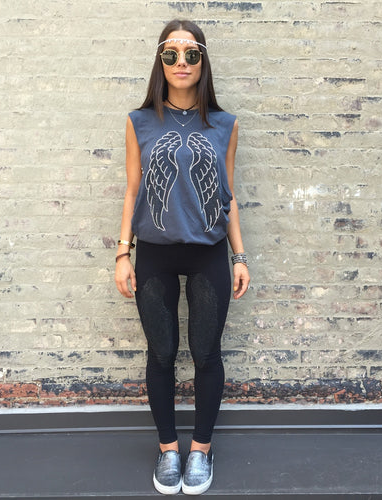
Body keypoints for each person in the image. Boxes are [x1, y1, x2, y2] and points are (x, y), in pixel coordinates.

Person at [114, 19, 250, 496]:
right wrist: (122, 252)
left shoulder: (225, 124)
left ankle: (201, 450)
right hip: (153, 253)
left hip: (209, 253)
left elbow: (229, 196)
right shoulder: (140, 121)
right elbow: (132, 190)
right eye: (170, 53)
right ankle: (168, 448)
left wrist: (239, 255)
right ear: (160, 60)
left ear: (203, 60)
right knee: (162, 352)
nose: (181, 63)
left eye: (191, 53)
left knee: (207, 353)